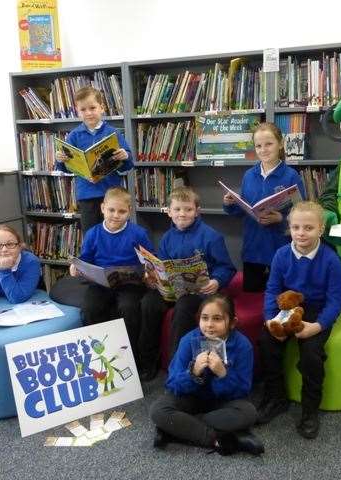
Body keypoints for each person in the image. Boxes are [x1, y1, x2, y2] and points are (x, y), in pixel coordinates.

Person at [256, 201, 341, 439]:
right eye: (296, 227)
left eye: (308, 228)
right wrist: (268, 320)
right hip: (289, 305)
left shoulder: (331, 259)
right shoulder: (281, 255)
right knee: (266, 341)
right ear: (289, 228)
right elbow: (272, 290)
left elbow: (336, 301)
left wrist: (316, 327)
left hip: (316, 310)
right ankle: (276, 398)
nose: (301, 233)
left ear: (321, 229)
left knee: (312, 353)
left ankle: (309, 410)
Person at [139, 186, 236, 382]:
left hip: (198, 293)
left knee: (183, 308)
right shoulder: (167, 238)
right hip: (172, 290)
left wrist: (216, 281)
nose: (182, 214)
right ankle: (147, 361)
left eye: (188, 209)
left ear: (197, 211)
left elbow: (227, 267)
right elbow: (163, 266)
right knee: (148, 302)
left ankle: (178, 368)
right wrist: (155, 277)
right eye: (177, 209)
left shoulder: (211, 236)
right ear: (169, 212)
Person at [150, 294, 264, 456]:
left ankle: (178, 429)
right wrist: (193, 372)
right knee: (158, 409)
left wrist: (223, 374)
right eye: (205, 318)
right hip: (191, 397)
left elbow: (243, 390)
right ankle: (218, 438)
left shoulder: (242, 345)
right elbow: (172, 383)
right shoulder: (188, 340)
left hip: (222, 402)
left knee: (249, 412)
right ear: (199, 320)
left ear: (232, 323)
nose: (209, 325)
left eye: (217, 319)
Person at [69, 187, 154, 367]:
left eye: (122, 211)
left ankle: (130, 357)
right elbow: (85, 258)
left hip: (130, 284)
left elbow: (150, 259)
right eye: (111, 210)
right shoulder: (93, 233)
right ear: (102, 208)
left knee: (128, 308)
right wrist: (76, 266)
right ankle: (99, 355)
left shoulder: (138, 233)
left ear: (129, 212)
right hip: (101, 282)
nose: (116, 215)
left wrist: (148, 271)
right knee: (90, 308)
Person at [223, 122, 306, 292]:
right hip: (253, 250)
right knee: (252, 297)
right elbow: (244, 210)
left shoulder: (291, 176)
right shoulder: (249, 176)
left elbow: (302, 215)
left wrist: (281, 219)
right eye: (258, 146)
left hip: (280, 248)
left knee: (281, 298)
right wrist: (230, 204)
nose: (263, 149)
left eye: (269, 144)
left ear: (280, 144)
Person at [55, 86, 133, 234]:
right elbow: (64, 169)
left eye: (92, 108)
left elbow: (127, 166)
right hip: (87, 194)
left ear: (102, 108)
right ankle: (92, 258)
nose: (88, 113)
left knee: (116, 230)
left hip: (111, 194)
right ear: (77, 111)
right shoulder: (74, 135)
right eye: (83, 109)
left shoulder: (113, 133)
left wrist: (125, 155)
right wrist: (61, 159)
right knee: (90, 233)